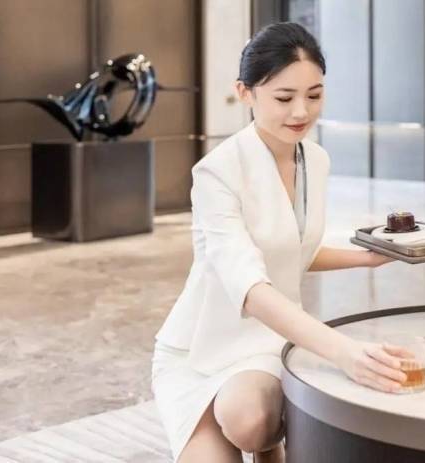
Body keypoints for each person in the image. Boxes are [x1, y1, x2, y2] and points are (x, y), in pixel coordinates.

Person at [152, 22, 410, 463]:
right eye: (284, 98)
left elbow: (290, 250)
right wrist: (344, 352)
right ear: (245, 92)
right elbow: (249, 286)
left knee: (250, 420)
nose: (301, 112)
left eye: (314, 95)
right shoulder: (217, 172)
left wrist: (365, 259)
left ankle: (267, 444)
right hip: (195, 349)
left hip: (267, 340)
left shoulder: (316, 160)